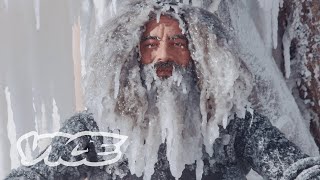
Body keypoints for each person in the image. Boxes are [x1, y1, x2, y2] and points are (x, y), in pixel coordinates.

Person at [6, 0, 320, 180]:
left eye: (178, 44)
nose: (163, 56)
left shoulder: (235, 125)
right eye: (151, 44)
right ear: (132, 55)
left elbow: (297, 171)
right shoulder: (95, 129)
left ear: (200, 54)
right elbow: (37, 175)